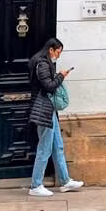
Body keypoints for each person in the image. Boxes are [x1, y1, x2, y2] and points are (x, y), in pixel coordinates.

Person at [28, 38, 83, 197]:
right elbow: (49, 86)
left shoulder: (42, 62)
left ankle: (65, 181)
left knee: (57, 146)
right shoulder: (42, 64)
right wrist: (61, 76)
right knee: (44, 147)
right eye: (58, 52)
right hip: (43, 109)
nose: (58, 56)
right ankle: (36, 185)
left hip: (48, 109)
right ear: (51, 49)